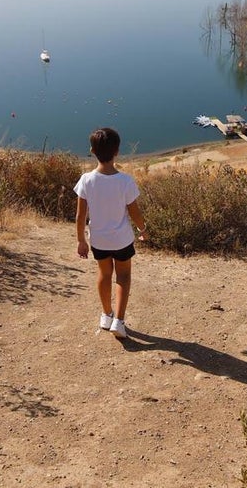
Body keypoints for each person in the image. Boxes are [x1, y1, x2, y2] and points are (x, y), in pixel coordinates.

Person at [74, 127, 147, 339]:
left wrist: (81, 241)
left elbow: (80, 216)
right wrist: (143, 229)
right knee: (123, 276)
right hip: (122, 239)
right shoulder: (125, 181)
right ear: (117, 151)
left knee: (104, 274)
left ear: (92, 151)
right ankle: (119, 322)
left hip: (98, 239)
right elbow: (135, 212)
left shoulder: (86, 180)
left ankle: (106, 315)